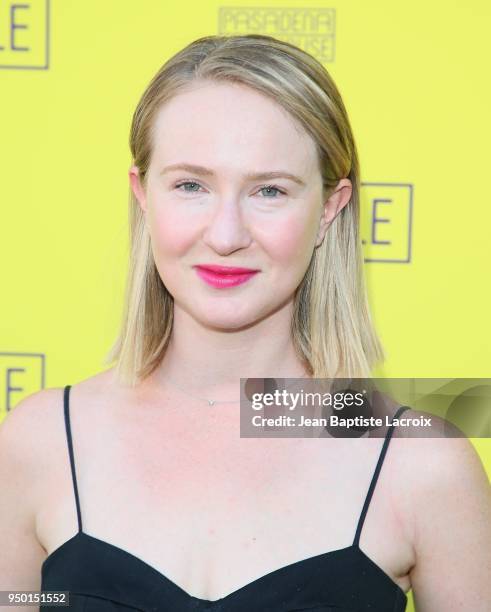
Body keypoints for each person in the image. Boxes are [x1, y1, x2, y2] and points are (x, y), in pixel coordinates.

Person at [0, 34, 490, 612]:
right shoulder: (38, 444)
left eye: (269, 190)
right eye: (190, 185)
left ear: (331, 208)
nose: (227, 235)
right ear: (142, 195)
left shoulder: (422, 464)